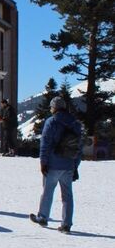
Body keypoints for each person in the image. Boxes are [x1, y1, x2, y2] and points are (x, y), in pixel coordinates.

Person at [30, 96, 82, 233]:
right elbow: (79, 147)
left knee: (47, 192)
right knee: (67, 195)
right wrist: (76, 165)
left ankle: (42, 217)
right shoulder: (75, 123)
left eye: (51, 107)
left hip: (53, 164)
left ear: (54, 108)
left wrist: (43, 162)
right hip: (69, 164)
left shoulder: (51, 122)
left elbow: (45, 144)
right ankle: (66, 224)